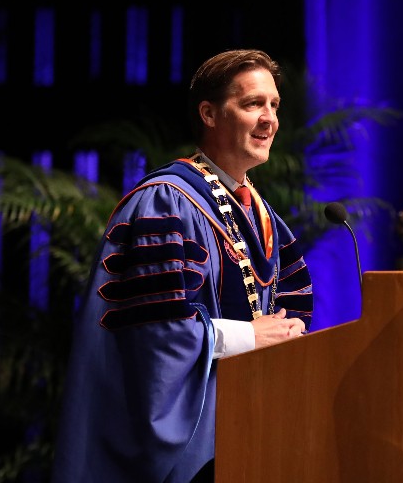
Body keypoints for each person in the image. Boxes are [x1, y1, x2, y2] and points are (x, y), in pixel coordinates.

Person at [51, 49, 313, 483]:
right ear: (209, 114)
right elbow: (153, 334)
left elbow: (292, 315)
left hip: (254, 433)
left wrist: (291, 336)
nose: (269, 119)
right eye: (252, 104)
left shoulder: (265, 219)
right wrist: (248, 335)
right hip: (195, 449)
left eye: (274, 105)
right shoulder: (166, 201)